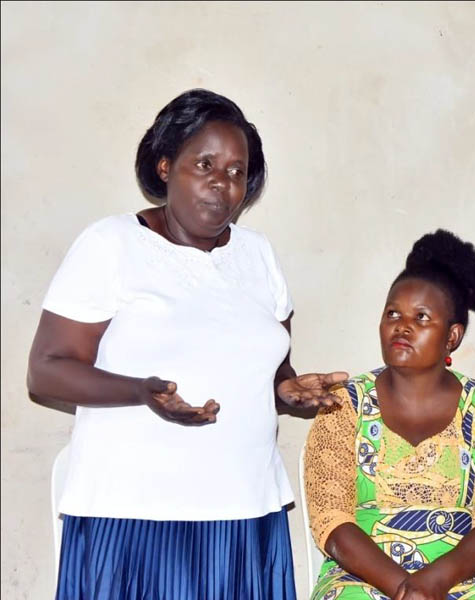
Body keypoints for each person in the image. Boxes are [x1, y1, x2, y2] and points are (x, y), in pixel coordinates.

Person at [27, 89, 347, 600]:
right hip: (135, 516)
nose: (222, 184)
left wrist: (288, 391)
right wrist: (141, 392)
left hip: (246, 511)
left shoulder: (258, 256)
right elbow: (46, 369)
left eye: (237, 171)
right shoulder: (111, 245)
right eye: (204, 164)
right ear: (164, 167)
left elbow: (270, 369)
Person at [303, 230, 475, 600]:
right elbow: (331, 518)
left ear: (452, 337)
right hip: (361, 575)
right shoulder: (342, 404)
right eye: (393, 313)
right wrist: (404, 588)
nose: (402, 325)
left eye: (421, 317)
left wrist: (434, 581)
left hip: (462, 574)